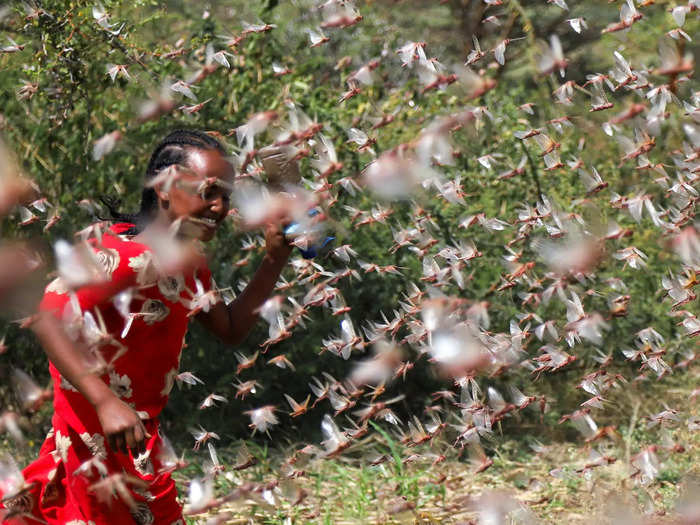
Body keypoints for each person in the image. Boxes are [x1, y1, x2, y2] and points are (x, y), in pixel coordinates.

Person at [0, 129, 293, 525]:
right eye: (209, 191)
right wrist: (105, 401)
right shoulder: (119, 254)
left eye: (226, 194)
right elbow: (49, 313)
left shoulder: (188, 260)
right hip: (94, 447)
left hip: (134, 446)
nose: (220, 206)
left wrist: (273, 259)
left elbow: (230, 328)